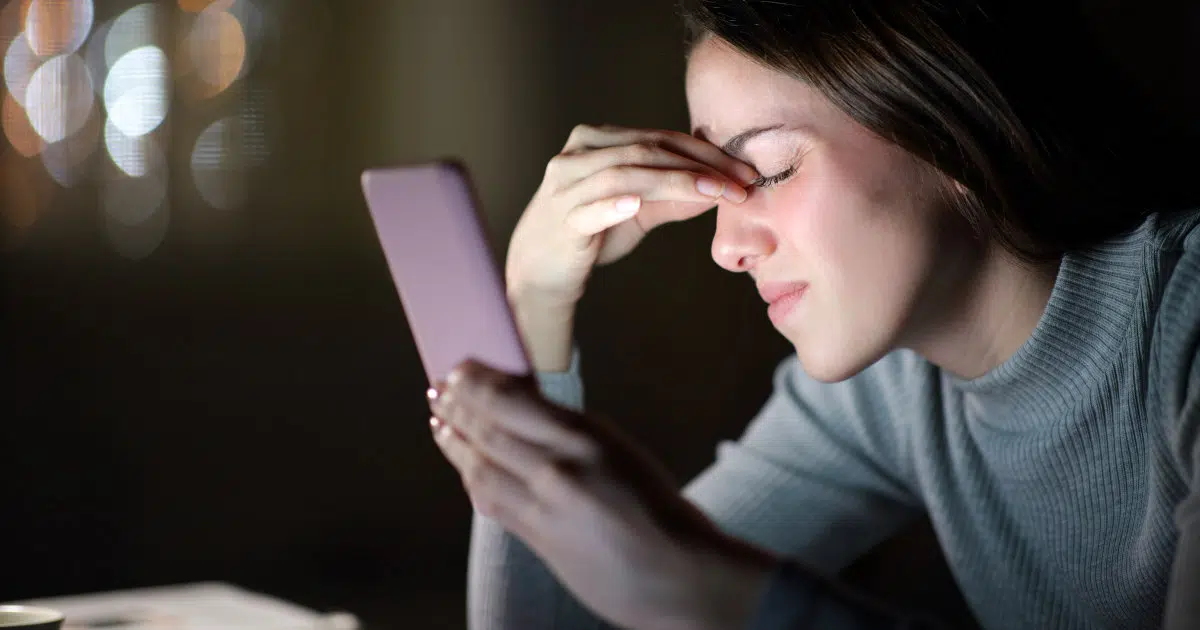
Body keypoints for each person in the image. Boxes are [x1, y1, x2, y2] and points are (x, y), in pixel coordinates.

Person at [425, 1, 1200, 628]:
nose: (725, 247)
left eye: (768, 168)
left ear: (956, 132)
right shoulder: (892, 391)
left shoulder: (1185, 324)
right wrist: (529, 306)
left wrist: (713, 591)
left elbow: (680, 589)